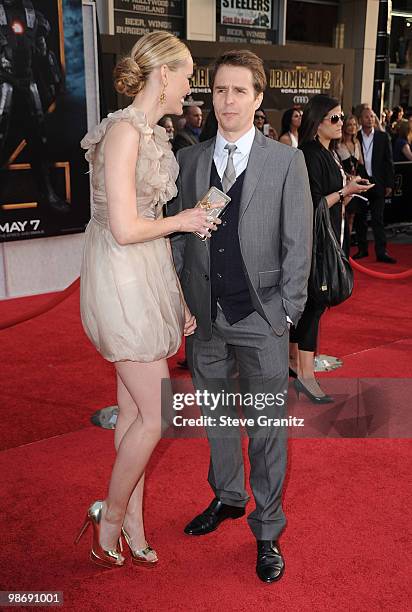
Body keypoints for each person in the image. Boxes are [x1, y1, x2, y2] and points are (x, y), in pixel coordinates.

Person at [76, 31, 220, 569]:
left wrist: (176, 296)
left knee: (137, 410)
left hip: (146, 274)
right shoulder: (122, 135)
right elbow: (123, 226)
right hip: (119, 275)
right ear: (163, 75)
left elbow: (150, 233)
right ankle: (109, 517)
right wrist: (183, 220)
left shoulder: (152, 133)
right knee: (157, 415)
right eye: (186, 75)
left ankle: (131, 522)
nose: (190, 87)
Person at [169, 49, 313, 583]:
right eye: (219, 90)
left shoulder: (285, 162)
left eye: (238, 91)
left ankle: (268, 528)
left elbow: (300, 245)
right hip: (207, 321)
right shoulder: (189, 161)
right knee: (219, 421)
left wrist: (284, 315)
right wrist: (185, 301)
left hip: (263, 320)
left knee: (268, 430)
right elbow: (182, 241)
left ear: (257, 99)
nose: (226, 100)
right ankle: (228, 498)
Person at [289, 95, 373, 403]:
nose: (341, 123)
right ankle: (306, 377)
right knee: (314, 305)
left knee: (310, 305)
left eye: (341, 117)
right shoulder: (310, 154)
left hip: (326, 239)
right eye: (334, 119)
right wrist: (344, 191)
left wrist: (347, 193)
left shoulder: (326, 152)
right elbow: (312, 205)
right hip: (314, 243)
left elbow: (328, 199)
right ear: (317, 122)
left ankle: (295, 361)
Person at [0, 0, 69, 214]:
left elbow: (43, 52)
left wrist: (55, 79)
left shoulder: (33, 16)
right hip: (3, 82)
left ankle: (46, 192)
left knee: (39, 140)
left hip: (27, 84)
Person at [354, 107, 396, 263]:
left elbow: (388, 162)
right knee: (361, 218)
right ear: (361, 119)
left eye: (372, 116)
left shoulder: (383, 137)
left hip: (378, 183)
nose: (370, 119)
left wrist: (389, 184)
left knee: (378, 219)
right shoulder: (355, 136)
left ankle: (381, 252)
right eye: (367, 116)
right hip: (361, 183)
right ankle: (362, 249)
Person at [337, 114, 367, 235]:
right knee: (343, 215)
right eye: (349, 124)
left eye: (354, 124)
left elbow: (361, 163)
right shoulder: (338, 144)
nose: (352, 127)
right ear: (344, 126)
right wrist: (348, 176)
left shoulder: (357, 142)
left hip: (355, 183)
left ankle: (347, 248)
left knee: (352, 217)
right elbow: (337, 165)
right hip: (344, 183)